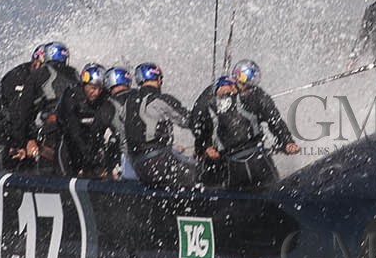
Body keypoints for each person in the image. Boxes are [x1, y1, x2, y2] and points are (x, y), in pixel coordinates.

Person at [191, 60, 300, 191]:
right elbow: (196, 122)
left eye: (249, 86)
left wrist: (287, 142)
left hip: (258, 160)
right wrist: (205, 147)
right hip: (229, 165)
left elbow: (274, 121)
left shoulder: (257, 95)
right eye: (242, 85)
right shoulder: (210, 97)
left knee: (273, 191)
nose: (246, 90)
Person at [6, 41, 79, 166]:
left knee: (47, 170)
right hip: (75, 130)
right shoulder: (75, 74)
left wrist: (22, 142)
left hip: (50, 132)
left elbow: (23, 110)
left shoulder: (38, 74)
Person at [122, 62, 195, 186]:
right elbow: (190, 120)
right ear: (158, 79)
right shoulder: (160, 100)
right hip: (159, 163)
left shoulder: (127, 103)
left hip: (137, 166)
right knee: (199, 171)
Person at [55, 63, 121, 179]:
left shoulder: (104, 98)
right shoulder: (71, 97)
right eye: (93, 88)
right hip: (69, 140)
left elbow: (106, 127)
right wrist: (90, 160)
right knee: (66, 147)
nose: (96, 93)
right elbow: (74, 131)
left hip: (92, 142)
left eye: (100, 89)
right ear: (84, 84)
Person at [0, 42, 46, 162]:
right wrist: (25, 142)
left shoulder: (48, 83)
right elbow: (15, 115)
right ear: (36, 64)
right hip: (7, 134)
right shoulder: (17, 78)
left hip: (29, 131)